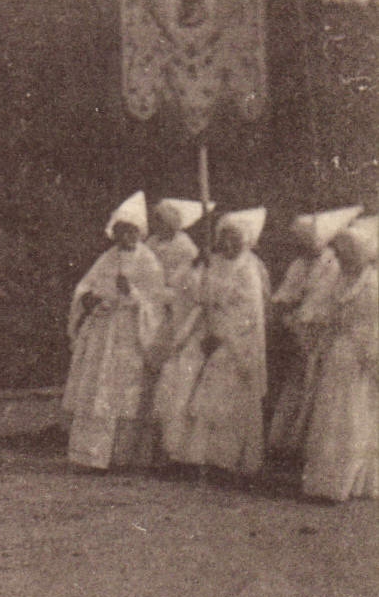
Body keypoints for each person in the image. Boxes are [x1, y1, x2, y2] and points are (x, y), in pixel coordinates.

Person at [154, 208, 269, 479]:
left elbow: (249, 314)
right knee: (186, 387)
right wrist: (196, 267)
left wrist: (222, 336)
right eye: (224, 238)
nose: (228, 245)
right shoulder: (212, 262)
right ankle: (189, 456)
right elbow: (187, 293)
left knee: (223, 399)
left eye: (235, 239)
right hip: (204, 334)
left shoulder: (249, 270)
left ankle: (224, 460)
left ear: (246, 241)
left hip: (234, 345)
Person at [61, 192, 166, 470]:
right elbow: (85, 286)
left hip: (130, 333)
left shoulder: (148, 262)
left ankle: (121, 457)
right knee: (97, 390)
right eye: (122, 231)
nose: (127, 236)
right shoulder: (107, 258)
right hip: (103, 331)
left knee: (124, 392)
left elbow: (154, 303)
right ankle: (91, 456)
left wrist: (131, 293)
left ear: (140, 233)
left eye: (132, 231)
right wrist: (88, 298)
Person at [267, 206, 361, 462]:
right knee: (295, 387)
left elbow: (325, 301)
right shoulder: (300, 263)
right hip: (296, 329)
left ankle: (301, 449)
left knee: (314, 389)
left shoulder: (332, 263)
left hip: (319, 332)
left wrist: (307, 320)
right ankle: (282, 444)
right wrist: (287, 311)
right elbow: (288, 292)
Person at [301, 216, 378, 501]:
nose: (343, 258)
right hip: (336, 354)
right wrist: (318, 324)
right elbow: (318, 310)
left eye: (349, 252)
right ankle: (325, 480)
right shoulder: (337, 280)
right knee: (329, 415)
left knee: (354, 417)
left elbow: (373, 326)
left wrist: (368, 357)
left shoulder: (373, 285)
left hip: (360, 357)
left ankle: (350, 482)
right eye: (341, 252)